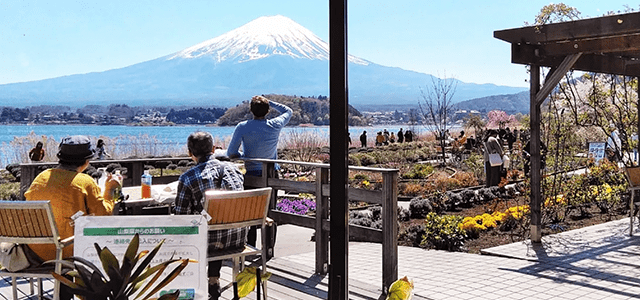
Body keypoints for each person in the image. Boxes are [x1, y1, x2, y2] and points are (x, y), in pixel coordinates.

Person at [25, 135, 117, 300]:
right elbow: (103, 214)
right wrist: (111, 191)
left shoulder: (41, 177)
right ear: (86, 161)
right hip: (65, 252)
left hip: (35, 251)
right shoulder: (84, 182)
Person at [175, 131, 246, 300]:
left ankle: (187, 287)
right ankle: (213, 279)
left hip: (209, 242)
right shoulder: (235, 170)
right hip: (238, 238)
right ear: (213, 149)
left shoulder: (188, 178)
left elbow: (181, 218)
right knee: (214, 225)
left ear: (190, 153)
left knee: (202, 230)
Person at [227, 95, 292, 177]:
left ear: (251, 110)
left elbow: (231, 153)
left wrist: (244, 155)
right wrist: (269, 102)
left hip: (252, 175)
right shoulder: (275, 124)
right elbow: (288, 111)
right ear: (268, 111)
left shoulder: (242, 127)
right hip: (272, 174)